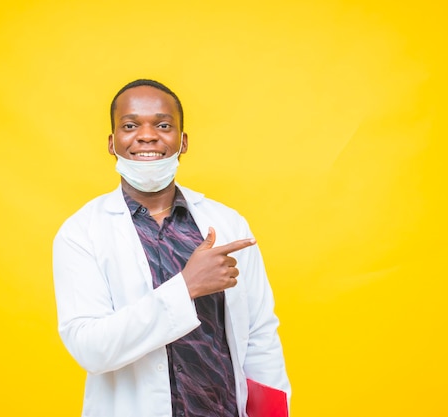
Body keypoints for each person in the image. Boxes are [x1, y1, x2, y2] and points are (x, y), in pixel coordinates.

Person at [53, 79, 291, 417]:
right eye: (130, 125)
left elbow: (259, 335)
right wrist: (187, 286)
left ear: (183, 141)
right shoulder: (81, 232)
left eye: (163, 125)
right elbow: (90, 348)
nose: (147, 136)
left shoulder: (227, 223)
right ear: (112, 142)